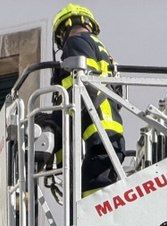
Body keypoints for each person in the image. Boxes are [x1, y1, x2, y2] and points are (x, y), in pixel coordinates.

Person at [45, 5, 126, 196]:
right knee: (96, 188)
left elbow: (80, 90)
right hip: (110, 131)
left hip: (97, 131)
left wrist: (56, 131)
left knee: (93, 197)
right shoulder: (104, 52)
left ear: (63, 30)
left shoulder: (75, 42)